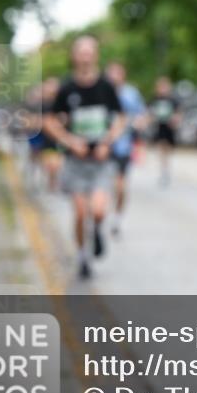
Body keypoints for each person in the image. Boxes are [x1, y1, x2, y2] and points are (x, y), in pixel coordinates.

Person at [44, 37, 125, 279]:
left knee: (98, 211)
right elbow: (48, 120)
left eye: (90, 52)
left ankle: (97, 230)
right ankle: (82, 256)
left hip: (100, 161)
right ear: (74, 56)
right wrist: (70, 141)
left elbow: (121, 118)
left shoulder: (106, 86)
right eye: (81, 52)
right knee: (80, 213)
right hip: (76, 162)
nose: (86, 56)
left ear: (96, 55)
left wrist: (107, 141)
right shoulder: (67, 88)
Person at [106, 62, 146, 235]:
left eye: (118, 73)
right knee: (104, 186)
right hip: (102, 147)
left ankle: (117, 218)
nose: (114, 76)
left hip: (123, 146)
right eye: (111, 73)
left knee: (120, 187)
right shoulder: (101, 91)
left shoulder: (131, 94)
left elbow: (142, 115)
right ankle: (100, 216)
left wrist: (138, 123)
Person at [149, 76, 180, 186]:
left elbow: (178, 113)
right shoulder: (155, 99)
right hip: (160, 128)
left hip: (169, 128)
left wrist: (175, 120)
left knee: (168, 149)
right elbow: (150, 113)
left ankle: (166, 169)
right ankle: (164, 170)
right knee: (162, 148)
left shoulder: (172, 100)